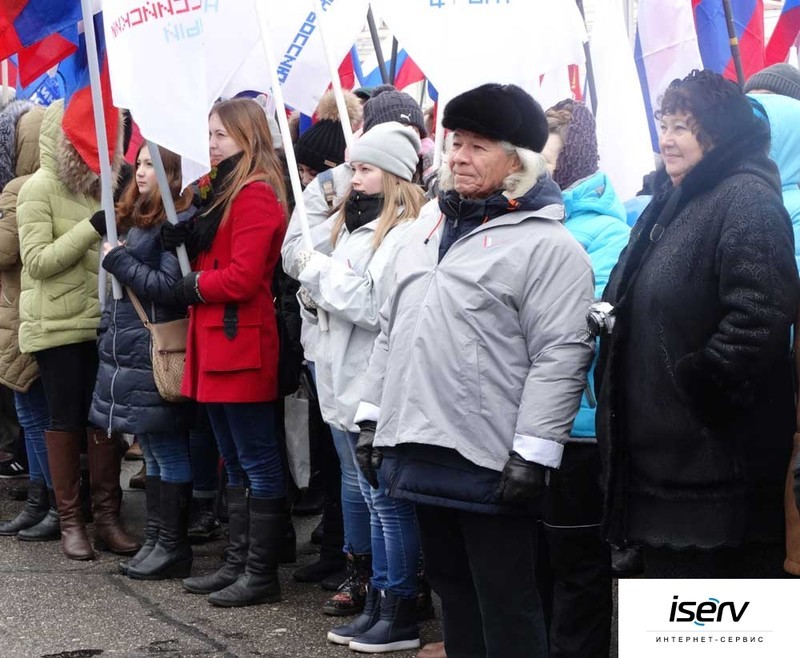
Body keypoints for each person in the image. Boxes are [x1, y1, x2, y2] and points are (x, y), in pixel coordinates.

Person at [354, 83, 595, 658]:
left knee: (507, 602)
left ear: (518, 160)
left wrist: (534, 452)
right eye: (455, 142)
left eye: (477, 146)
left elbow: (561, 354)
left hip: (493, 458)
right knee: (453, 593)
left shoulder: (549, 246)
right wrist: (371, 419)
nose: (458, 156)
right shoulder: (424, 230)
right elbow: (391, 331)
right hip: (418, 445)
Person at [596, 69, 799, 578]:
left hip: (714, 473)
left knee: (716, 616)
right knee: (666, 614)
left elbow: (761, 314)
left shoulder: (746, 199)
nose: (666, 138)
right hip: (663, 461)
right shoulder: (675, 196)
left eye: (683, 127)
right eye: (664, 124)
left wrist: (700, 390)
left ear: (719, 133)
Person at [281, 85, 428, 616]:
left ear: (391, 174)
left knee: (382, 496)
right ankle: (368, 582)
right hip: (338, 371)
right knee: (363, 489)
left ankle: (397, 598)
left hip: (370, 378)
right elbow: (300, 260)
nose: (352, 178)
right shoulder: (354, 218)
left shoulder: (404, 231)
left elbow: (370, 303)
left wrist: (317, 275)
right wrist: (314, 286)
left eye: (363, 169)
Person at [163, 98, 289, 607]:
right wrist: (188, 239)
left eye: (220, 134)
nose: (211, 144)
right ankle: (239, 564)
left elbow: (243, 277)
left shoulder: (255, 192)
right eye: (210, 134)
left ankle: (259, 572)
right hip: (219, 339)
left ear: (247, 135)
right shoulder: (225, 191)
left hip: (239, 341)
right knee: (233, 460)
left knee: (255, 458)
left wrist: (193, 285)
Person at [17, 99, 137, 561]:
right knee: (65, 419)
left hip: (100, 324)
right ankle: (71, 521)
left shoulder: (99, 190)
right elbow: (37, 262)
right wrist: (91, 229)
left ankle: (107, 518)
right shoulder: (37, 189)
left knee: (104, 421)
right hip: (57, 328)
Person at [538, 98, 628, 658]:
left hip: (579, 423)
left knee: (577, 568)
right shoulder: (529, 219)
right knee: (538, 563)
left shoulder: (605, 231)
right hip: (530, 418)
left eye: (545, 154)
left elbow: (580, 319)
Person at [89, 143, 195, 580]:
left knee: (167, 451)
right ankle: (156, 539)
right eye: (140, 164)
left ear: (173, 172)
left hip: (157, 350)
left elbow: (170, 288)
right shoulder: (137, 216)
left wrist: (119, 260)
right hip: (132, 351)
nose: (141, 172)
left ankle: (172, 545)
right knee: (151, 451)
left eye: (152, 164)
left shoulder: (176, 221)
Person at [0, 100, 57, 539]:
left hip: (24, 311)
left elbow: (4, 252)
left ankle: (49, 501)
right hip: (42, 313)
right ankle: (47, 501)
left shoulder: (20, 190)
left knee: (33, 412)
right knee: (41, 412)